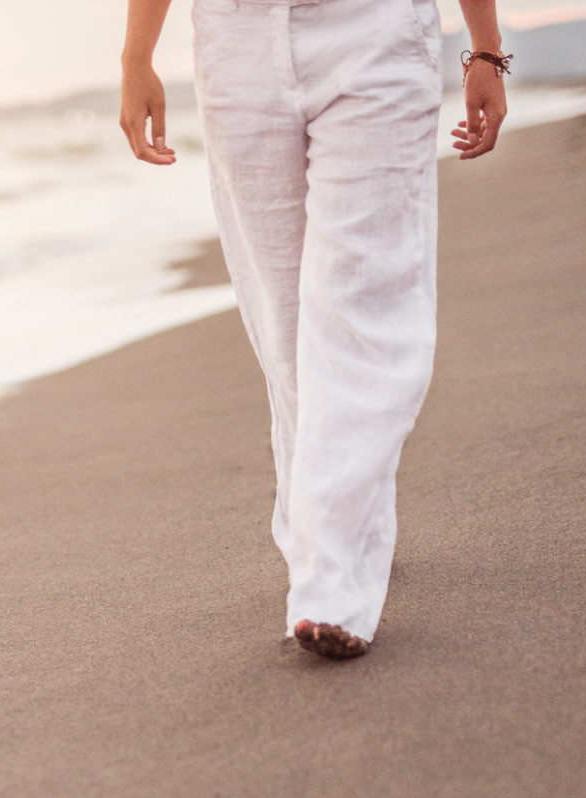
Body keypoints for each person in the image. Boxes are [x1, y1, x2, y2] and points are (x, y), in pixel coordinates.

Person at [119, 0, 508, 660]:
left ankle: (331, 582)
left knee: (358, 301)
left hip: (376, 31)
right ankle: (333, 524)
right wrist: (136, 55)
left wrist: (486, 48)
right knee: (287, 320)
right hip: (237, 41)